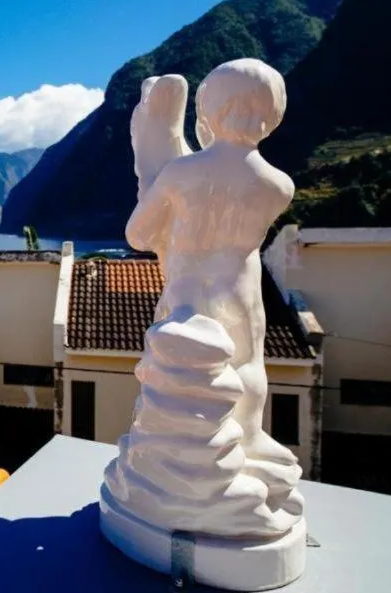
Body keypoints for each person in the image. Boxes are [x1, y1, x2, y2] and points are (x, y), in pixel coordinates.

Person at [125, 58, 303, 524]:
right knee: (248, 364)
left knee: (179, 379)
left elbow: (138, 235)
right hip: (241, 292)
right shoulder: (279, 186)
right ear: (275, 115)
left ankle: (180, 469)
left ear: (207, 109)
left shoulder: (181, 174)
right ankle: (247, 439)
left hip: (185, 293)